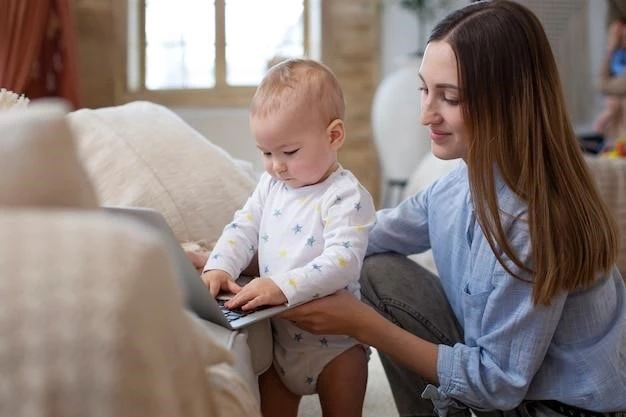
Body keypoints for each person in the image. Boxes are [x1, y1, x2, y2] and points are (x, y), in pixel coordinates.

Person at [281, 1, 626, 416]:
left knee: (374, 280)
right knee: (373, 264)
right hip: (508, 386)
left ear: (508, 102)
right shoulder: (459, 184)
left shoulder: (530, 222)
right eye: (424, 90)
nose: (426, 114)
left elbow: (498, 385)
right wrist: (250, 261)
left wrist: (360, 323)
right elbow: (363, 234)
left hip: (564, 409)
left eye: (450, 97)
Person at [200, 58, 376, 417]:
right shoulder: (272, 185)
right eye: (266, 153)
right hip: (281, 340)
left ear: (334, 136)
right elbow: (243, 227)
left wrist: (281, 286)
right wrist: (219, 266)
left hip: (337, 349)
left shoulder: (344, 196)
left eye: (289, 152)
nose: (276, 165)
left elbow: (343, 261)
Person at [593, 18, 626, 142]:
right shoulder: (618, 56)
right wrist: (610, 50)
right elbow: (600, 83)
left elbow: (602, 84)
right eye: (619, 37)